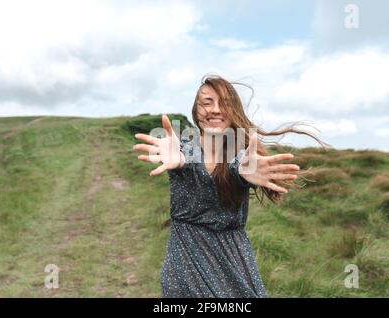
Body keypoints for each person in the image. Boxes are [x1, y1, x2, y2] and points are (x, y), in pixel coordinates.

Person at [133, 74, 328, 297]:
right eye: (207, 102)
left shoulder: (240, 153)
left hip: (231, 259)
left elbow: (240, 165)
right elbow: (185, 157)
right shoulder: (182, 149)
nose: (215, 109)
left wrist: (245, 171)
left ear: (233, 111)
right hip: (185, 256)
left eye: (224, 103)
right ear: (196, 111)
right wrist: (178, 158)